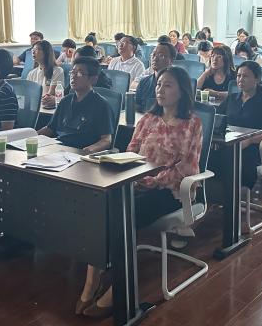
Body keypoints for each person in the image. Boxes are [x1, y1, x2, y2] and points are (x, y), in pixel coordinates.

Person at [78, 66, 202, 318]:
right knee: (101, 208)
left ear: (182, 91)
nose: (160, 89)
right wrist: (133, 177)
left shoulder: (192, 124)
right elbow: (130, 152)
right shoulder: (148, 119)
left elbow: (188, 167)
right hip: (135, 183)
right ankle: (92, 281)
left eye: (167, 85)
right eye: (159, 84)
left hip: (170, 192)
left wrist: (153, 181)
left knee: (126, 216)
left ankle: (117, 291)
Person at [210, 60, 262, 192]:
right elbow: (216, 120)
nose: (240, 79)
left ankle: (233, 195)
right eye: (238, 75)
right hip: (229, 145)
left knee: (231, 160)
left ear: (257, 79)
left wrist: (251, 140)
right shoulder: (232, 98)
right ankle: (218, 194)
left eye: (245, 76)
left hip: (254, 150)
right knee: (209, 158)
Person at [37, 56, 113, 153]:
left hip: (79, 152)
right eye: (72, 72)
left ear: (93, 79)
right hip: (59, 150)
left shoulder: (101, 105)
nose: (73, 76)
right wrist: (31, 137)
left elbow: (106, 140)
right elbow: (50, 129)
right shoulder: (65, 101)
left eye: (80, 73)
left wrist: (88, 150)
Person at [41, 46, 113, 108]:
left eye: (78, 60)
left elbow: (88, 103)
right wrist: (55, 99)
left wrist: (59, 101)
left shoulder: (100, 81)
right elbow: (66, 94)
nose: (74, 63)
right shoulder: (76, 77)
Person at [135, 42, 175, 112]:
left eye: (161, 55)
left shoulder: (178, 84)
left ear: (171, 60)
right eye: (153, 55)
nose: (155, 58)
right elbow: (136, 106)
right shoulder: (143, 82)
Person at [27, 40, 65, 106]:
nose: (33, 52)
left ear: (46, 52)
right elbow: (28, 93)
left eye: (37, 49)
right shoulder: (31, 73)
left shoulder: (57, 71)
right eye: (33, 49)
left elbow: (50, 94)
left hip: (48, 106)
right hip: (35, 105)